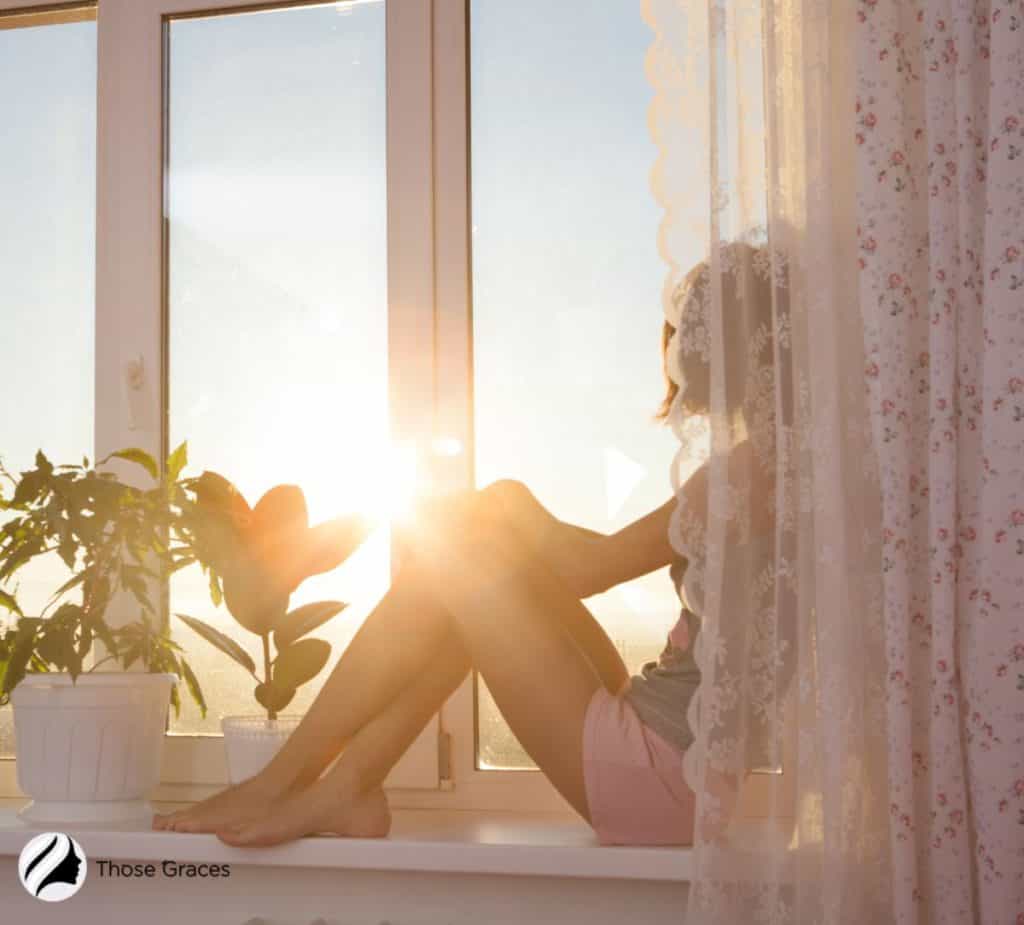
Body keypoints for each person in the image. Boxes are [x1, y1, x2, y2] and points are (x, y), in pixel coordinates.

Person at [152, 243, 776, 848]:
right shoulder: (788, 468)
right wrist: (501, 514)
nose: (674, 358)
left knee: (454, 559)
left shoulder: (748, 470)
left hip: (656, 777)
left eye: (682, 339)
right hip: (676, 773)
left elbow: (596, 567)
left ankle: (281, 783)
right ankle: (344, 786)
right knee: (468, 574)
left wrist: (508, 504)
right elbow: (588, 560)